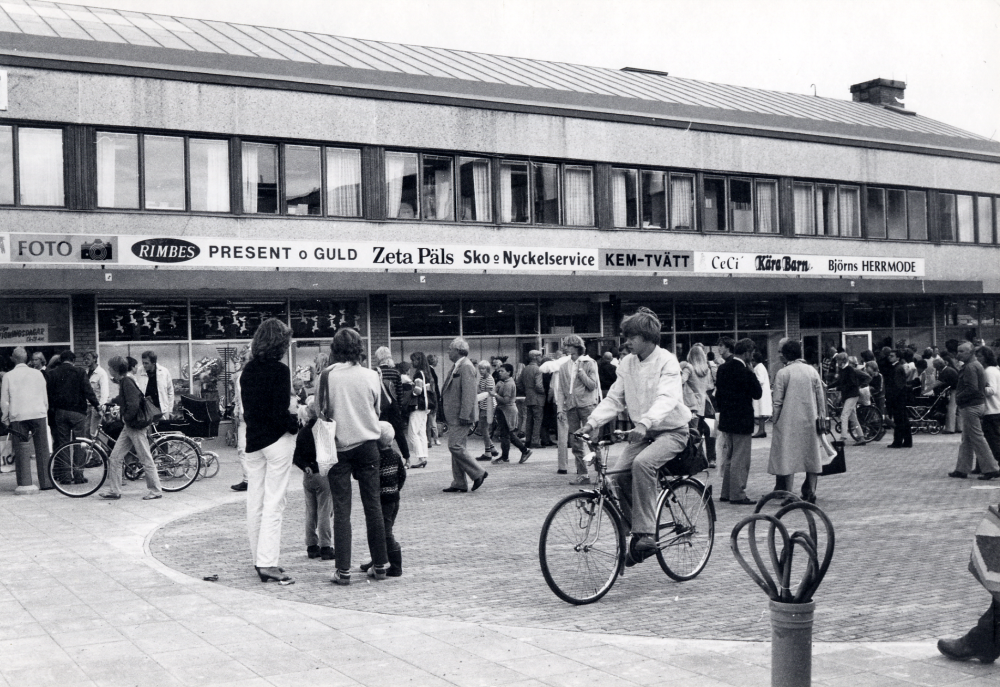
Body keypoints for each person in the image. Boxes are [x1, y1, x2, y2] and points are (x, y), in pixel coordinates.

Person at [577, 307, 691, 555]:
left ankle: (647, 533)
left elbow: (667, 397)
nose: (626, 342)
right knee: (617, 475)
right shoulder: (627, 363)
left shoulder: (667, 360)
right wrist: (592, 422)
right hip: (644, 432)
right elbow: (614, 398)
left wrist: (645, 422)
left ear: (647, 337)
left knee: (643, 464)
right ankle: (637, 534)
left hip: (672, 431)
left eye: (632, 337)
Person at [320, 327, 389, 584]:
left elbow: (320, 409)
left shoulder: (327, 376)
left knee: (341, 509)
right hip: (368, 445)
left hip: (339, 446)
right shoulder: (372, 375)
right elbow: (376, 410)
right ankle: (380, 564)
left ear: (334, 349)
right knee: (373, 505)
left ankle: (343, 570)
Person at [242, 318, 299, 585]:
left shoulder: (247, 370)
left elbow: (255, 410)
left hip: (253, 441)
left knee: (255, 501)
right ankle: (267, 563)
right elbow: (279, 413)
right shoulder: (279, 370)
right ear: (279, 343)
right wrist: (295, 423)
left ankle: (259, 557)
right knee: (275, 502)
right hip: (277, 442)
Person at [767, 339, 826, 503]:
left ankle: (789, 493)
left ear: (786, 355)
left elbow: (778, 401)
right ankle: (811, 491)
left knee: (788, 456)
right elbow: (820, 396)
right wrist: (821, 415)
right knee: (812, 455)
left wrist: (775, 419)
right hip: (810, 419)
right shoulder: (812, 371)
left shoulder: (783, 373)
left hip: (788, 421)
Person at [99, 356, 163, 501]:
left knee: (145, 457)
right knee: (115, 457)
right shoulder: (124, 381)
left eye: (110, 367)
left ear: (115, 369)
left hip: (135, 425)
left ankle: (156, 490)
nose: (108, 369)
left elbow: (133, 404)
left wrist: (125, 417)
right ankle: (114, 490)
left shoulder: (127, 381)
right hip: (129, 426)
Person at [714, 337, 763, 505]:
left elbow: (718, 395)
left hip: (727, 418)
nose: (753, 356)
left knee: (729, 456)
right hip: (742, 419)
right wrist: (752, 372)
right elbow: (757, 393)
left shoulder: (722, 368)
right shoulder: (745, 371)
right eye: (752, 352)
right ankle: (738, 493)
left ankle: (726, 491)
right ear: (747, 353)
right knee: (740, 458)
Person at [1, 347, 53, 491]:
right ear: (26, 359)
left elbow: (5, 400)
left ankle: (24, 481)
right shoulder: (38, 374)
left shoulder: (8, 376)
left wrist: (5, 418)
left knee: (21, 449)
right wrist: (44, 410)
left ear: (13, 358)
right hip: (38, 414)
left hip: (18, 415)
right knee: (42, 449)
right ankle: (46, 482)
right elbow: (44, 396)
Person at [441, 337, 488, 494]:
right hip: (455, 415)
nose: (448, 351)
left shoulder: (466, 367)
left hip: (460, 415)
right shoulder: (458, 366)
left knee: (454, 446)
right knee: (457, 448)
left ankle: (478, 472)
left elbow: (469, 394)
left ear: (458, 350)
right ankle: (459, 482)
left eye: (450, 349)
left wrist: (465, 414)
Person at [46, 350, 100, 484]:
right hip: (78, 413)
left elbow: (49, 394)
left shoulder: (53, 373)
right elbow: (88, 391)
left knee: (63, 444)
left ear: (61, 360)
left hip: (60, 412)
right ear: (73, 360)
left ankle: (65, 476)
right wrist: (97, 405)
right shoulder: (80, 372)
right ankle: (78, 475)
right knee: (80, 443)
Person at [360, 422, 406, 577]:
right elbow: (402, 476)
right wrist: (395, 489)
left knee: (385, 532)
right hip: (394, 498)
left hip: (383, 500)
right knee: (382, 530)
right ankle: (376, 559)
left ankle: (395, 565)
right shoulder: (395, 456)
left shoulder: (377, 459)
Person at [948, 342, 999, 480]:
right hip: (974, 406)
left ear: (970, 353)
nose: (958, 354)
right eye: (958, 351)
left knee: (977, 438)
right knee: (967, 439)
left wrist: (958, 397)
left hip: (971, 406)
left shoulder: (971, 367)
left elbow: (973, 388)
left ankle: (991, 468)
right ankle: (962, 469)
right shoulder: (975, 366)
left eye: (962, 351)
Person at [291, 402, 334, 561]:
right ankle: (325, 546)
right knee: (324, 510)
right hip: (322, 473)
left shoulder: (303, 432)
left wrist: (305, 466)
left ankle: (311, 545)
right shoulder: (324, 431)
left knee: (310, 510)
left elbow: (296, 456)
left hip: (308, 475)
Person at [555, 334, 600, 484]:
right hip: (572, 406)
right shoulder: (563, 366)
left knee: (593, 441)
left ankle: (601, 473)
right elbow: (561, 389)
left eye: (568, 345)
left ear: (576, 346)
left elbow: (592, 385)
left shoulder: (589, 363)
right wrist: (560, 409)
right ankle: (583, 474)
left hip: (588, 405)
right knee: (576, 442)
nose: (566, 348)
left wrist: (581, 372)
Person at [373, 347, 410, 465]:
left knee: (379, 432)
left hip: (380, 407)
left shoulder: (374, 372)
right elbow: (400, 393)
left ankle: (380, 459)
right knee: (399, 433)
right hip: (393, 407)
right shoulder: (396, 372)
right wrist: (399, 408)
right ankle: (407, 458)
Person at [490, 363, 530, 464]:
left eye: (502, 371)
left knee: (505, 435)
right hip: (503, 410)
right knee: (508, 434)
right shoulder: (504, 382)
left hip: (507, 411)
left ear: (509, 372)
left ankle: (505, 457)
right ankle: (524, 451)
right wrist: (497, 387)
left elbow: (505, 400)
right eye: (499, 371)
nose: (499, 373)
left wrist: (494, 394)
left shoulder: (509, 384)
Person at [680, 344, 714, 461]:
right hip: (707, 404)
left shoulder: (689, 367)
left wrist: (680, 367)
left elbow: (681, 381)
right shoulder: (707, 369)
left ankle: (698, 459)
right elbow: (710, 386)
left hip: (693, 405)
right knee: (710, 433)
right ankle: (712, 458)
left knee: (695, 433)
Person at [406, 351, 435, 469]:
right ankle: (424, 456)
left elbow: (418, 390)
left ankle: (420, 458)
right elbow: (427, 390)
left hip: (418, 406)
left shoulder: (418, 374)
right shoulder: (426, 373)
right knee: (422, 432)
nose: (412, 362)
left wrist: (410, 393)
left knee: (412, 433)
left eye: (414, 360)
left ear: (419, 361)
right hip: (426, 407)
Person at [833, 352, 868, 446]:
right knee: (853, 418)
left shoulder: (849, 370)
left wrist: (838, 388)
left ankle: (843, 437)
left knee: (844, 415)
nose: (837, 363)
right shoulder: (842, 370)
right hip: (849, 395)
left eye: (838, 360)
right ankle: (861, 437)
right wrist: (829, 386)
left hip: (852, 395)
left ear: (842, 360)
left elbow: (851, 383)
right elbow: (839, 381)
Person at [230, 346, 251, 492]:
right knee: (242, 449)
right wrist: (237, 412)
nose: (243, 361)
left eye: (245, 359)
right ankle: (247, 479)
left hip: (256, 419)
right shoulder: (239, 377)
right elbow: (237, 397)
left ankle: (257, 479)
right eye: (243, 359)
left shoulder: (258, 375)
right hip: (244, 418)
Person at [977, 346, 1000, 468]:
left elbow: (992, 390)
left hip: (992, 410)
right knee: (986, 439)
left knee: (992, 441)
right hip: (995, 410)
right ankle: (980, 465)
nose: (978, 358)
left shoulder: (989, 371)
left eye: (980, 356)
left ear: (986, 357)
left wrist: (977, 388)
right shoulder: (995, 369)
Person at [885, 350, 912, 449]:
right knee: (904, 419)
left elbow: (897, 385)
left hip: (898, 398)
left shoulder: (896, 368)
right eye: (889, 355)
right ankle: (907, 441)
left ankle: (898, 441)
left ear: (898, 358)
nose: (889, 357)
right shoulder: (897, 367)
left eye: (892, 356)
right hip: (900, 397)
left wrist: (892, 398)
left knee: (899, 420)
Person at [520, 350, 545, 448]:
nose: (541, 358)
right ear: (535, 357)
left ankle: (528, 440)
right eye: (540, 356)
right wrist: (544, 392)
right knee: (538, 420)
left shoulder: (525, 369)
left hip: (528, 397)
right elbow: (539, 385)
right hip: (538, 398)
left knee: (529, 420)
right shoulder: (538, 369)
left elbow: (518, 382)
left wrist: (526, 390)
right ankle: (535, 441)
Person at [140, 350, 174, 420]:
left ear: (153, 363)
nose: (144, 365)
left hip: (162, 409)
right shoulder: (138, 371)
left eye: (146, 363)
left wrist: (170, 409)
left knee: (162, 429)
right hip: (145, 410)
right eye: (143, 363)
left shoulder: (164, 372)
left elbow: (170, 392)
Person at [83, 351, 110, 440]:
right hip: (87, 406)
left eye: (88, 359)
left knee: (94, 433)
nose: (86, 361)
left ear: (94, 359)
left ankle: (97, 453)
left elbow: (104, 392)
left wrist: (101, 407)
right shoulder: (86, 372)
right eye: (85, 359)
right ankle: (88, 453)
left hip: (96, 407)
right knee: (86, 432)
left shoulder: (101, 373)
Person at [474, 360, 497, 461]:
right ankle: (492, 449)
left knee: (484, 429)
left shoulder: (489, 379)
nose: (481, 371)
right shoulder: (483, 378)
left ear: (487, 369)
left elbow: (488, 392)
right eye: (480, 369)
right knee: (484, 429)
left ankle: (488, 452)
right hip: (483, 405)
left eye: (483, 369)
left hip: (488, 405)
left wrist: (480, 391)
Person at [751, 350, 773, 438]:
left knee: (760, 412)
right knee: (761, 413)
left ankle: (761, 430)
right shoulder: (761, 366)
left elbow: (760, 380)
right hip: (762, 392)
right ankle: (761, 430)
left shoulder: (758, 368)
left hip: (761, 393)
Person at [426, 354, 443, 447]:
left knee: (430, 420)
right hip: (433, 397)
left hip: (431, 397)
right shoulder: (431, 371)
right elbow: (435, 386)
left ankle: (430, 439)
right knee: (433, 419)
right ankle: (435, 439)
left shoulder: (428, 370)